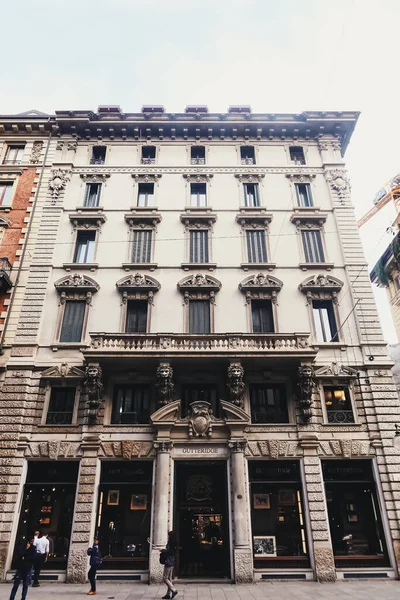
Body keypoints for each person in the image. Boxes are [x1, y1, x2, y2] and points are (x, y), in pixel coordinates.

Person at [161, 531, 178, 600]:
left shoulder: (171, 543)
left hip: (168, 562)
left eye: (168, 536)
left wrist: (163, 550)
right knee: (169, 579)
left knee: (165, 578)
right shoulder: (175, 544)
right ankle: (168, 594)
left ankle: (174, 590)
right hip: (172, 561)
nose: (167, 537)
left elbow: (169, 552)